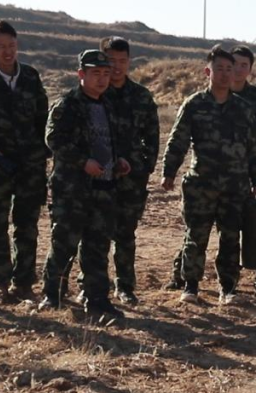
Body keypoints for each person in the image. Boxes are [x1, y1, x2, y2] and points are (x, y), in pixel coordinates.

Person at [161, 46, 256, 304]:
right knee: (196, 236)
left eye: (230, 69)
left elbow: (254, 148)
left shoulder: (243, 108)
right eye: (220, 69)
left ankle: (228, 289)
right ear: (208, 71)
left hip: (235, 187)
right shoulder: (195, 104)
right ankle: (191, 286)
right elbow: (178, 140)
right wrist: (169, 172)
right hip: (201, 185)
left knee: (230, 238)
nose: (226, 74)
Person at [39, 50, 130, 324]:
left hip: (104, 187)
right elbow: (53, 140)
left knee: (97, 246)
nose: (102, 80)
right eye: (95, 74)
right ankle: (51, 295)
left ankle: (98, 300)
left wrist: (121, 160)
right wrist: (83, 162)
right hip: (73, 189)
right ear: (81, 75)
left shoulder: (109, 105)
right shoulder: (67, 105)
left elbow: (116, 140)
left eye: (105, 74)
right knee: (64, 243)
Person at [0, 20, 48, 303]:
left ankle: (24, 283)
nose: (8, 51)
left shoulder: (31, 77)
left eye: (11, 45)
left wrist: (42, 155)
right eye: (1, 46)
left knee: (27, 224)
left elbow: (43, 119)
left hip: (30, 165)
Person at [100, 36, 159, 305]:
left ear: (129, 61)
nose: (116, 66)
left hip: (132, 178)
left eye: (122, 61)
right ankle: (91, 284)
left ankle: (125, 286)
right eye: (111, 60)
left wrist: (144, 167)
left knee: (126, 234)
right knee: (96, 232)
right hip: (100, 175)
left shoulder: (141, 96)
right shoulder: (95, 94)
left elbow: (153, 136)